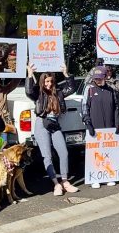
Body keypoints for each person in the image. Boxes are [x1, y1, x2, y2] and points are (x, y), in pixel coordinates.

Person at [25, 63, 79, 195]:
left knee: (64, 153)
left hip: (55, 125)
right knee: (47, 156)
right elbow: (28, 91)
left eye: (51, 81)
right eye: (46, 81)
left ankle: (65, 181)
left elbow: (71, 88)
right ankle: (56, 184)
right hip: (41, 124)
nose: (49, 84)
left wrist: (66, 73)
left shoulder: (58, 92)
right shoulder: (38, 93)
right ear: (43, 82)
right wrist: (30, 74)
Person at [82, 66, 119, 188]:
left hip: (109, 127)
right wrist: (88, 123)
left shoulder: (111, 90)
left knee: (108, 153)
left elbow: (116, 108)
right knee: (96, 153)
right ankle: (95, 178)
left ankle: (108, 176)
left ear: (105, 77)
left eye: (100, 78)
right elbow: (84, 107)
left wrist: (117, 123)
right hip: (95, 126)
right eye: (96, 79)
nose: (98, 81)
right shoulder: (90, 90)